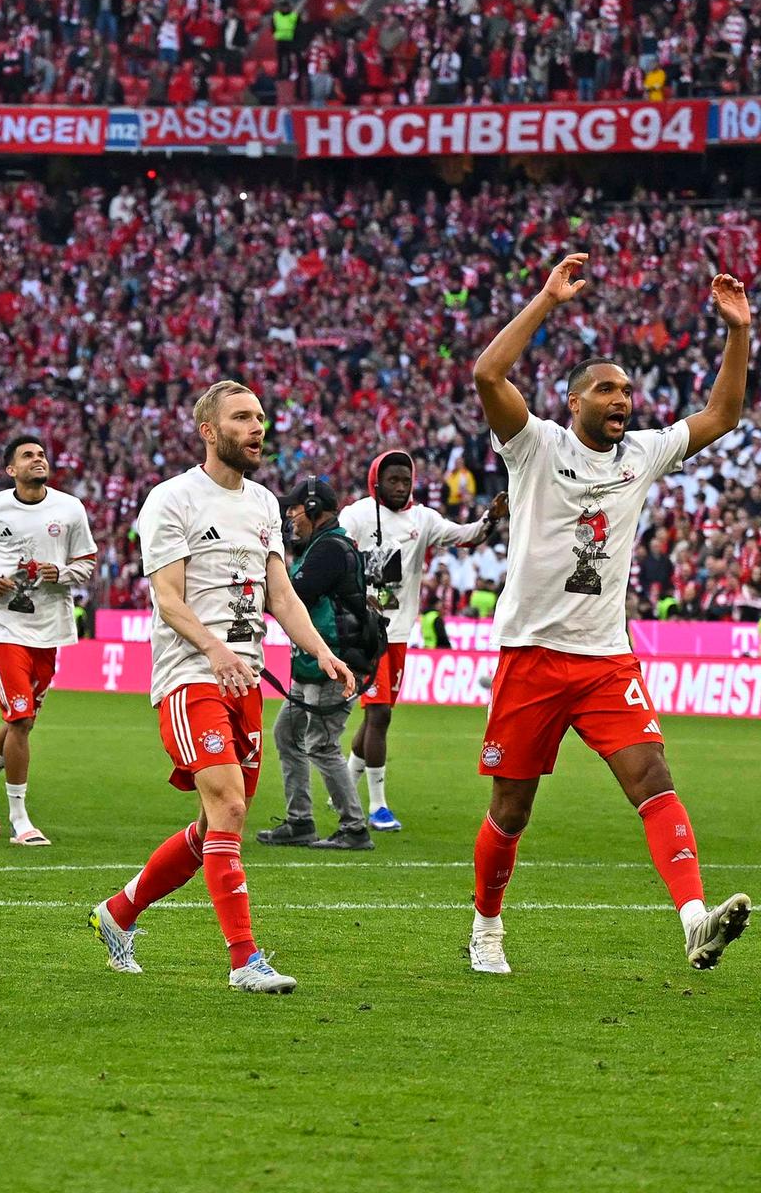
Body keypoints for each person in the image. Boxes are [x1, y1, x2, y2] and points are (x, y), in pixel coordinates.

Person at [467, 255, 753, 975]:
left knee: (652, 775)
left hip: (604, 660)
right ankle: (486, 927)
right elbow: (487, 376)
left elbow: (722, 413)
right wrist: (546, 300)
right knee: (512, 811)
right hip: (531, 652)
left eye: (626, 389)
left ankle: (694, 919)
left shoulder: (644, 455)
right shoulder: (536, 445)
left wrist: (739, 333)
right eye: (605, 389)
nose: (621, 398)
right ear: (574, 403)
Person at [89, 381, 355, 993]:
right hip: (190, 677)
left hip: (246, 680)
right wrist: (213, 649)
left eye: (260, 417)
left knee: (217, 826)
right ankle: (245, 961)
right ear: (209, 430)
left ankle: (118, 912)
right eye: (241, 418)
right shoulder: (172, 499)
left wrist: (322, 652)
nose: (257, 427)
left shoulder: (264, 503)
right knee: (230, 807)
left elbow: (280, 595)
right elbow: (169, 600)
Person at [338, 452, 507, 830]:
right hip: (366, 633)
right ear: (375, 481)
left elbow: (466, 537)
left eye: (405, 480)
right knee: (380, 713)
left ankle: (344, 790)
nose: (400, 486)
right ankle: (377, 806)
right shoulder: (357, 515)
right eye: (392, 480)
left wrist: (491, 519)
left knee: (376, 715)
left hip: (399, 632)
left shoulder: (423, 519)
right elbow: (338, 553)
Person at [0, 435, 97, 845]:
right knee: (19, 718)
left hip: (49, 628)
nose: (38, 459)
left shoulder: (70, 509)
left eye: (41, 454)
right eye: (28, 456)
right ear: (11, 470)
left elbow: (86, 562)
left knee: (23, 721)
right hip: (5, 628)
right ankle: (20, 819)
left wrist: (62, 573)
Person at [256, 475, 373, 851]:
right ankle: (300, 821)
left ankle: (354, 827)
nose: (290, 518)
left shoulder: (329, 549)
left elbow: (292, 593)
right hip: (312, 665)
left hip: (332, 664)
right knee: (287, 735)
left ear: (312, 509)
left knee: (322, 744)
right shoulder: (322, 546)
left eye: (293, 509)